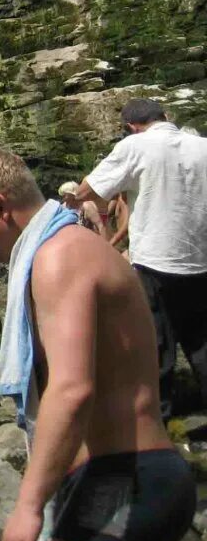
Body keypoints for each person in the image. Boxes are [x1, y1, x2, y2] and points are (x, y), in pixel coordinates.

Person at [0, 147, 195, 541]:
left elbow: (72, 388)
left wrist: (27, 505)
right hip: (105, 477)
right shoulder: (65, 247)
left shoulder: (60, 256)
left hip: (130, 475)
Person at [77, 97, 207, 418]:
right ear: (166, 116)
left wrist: (98, 213)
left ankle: (157, 426)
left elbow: (85, 190)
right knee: (202, 343)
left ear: (131, 127)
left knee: (156, 343)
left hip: (155, 261)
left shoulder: (135, 146)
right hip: (201, 259)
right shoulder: (202, 146)